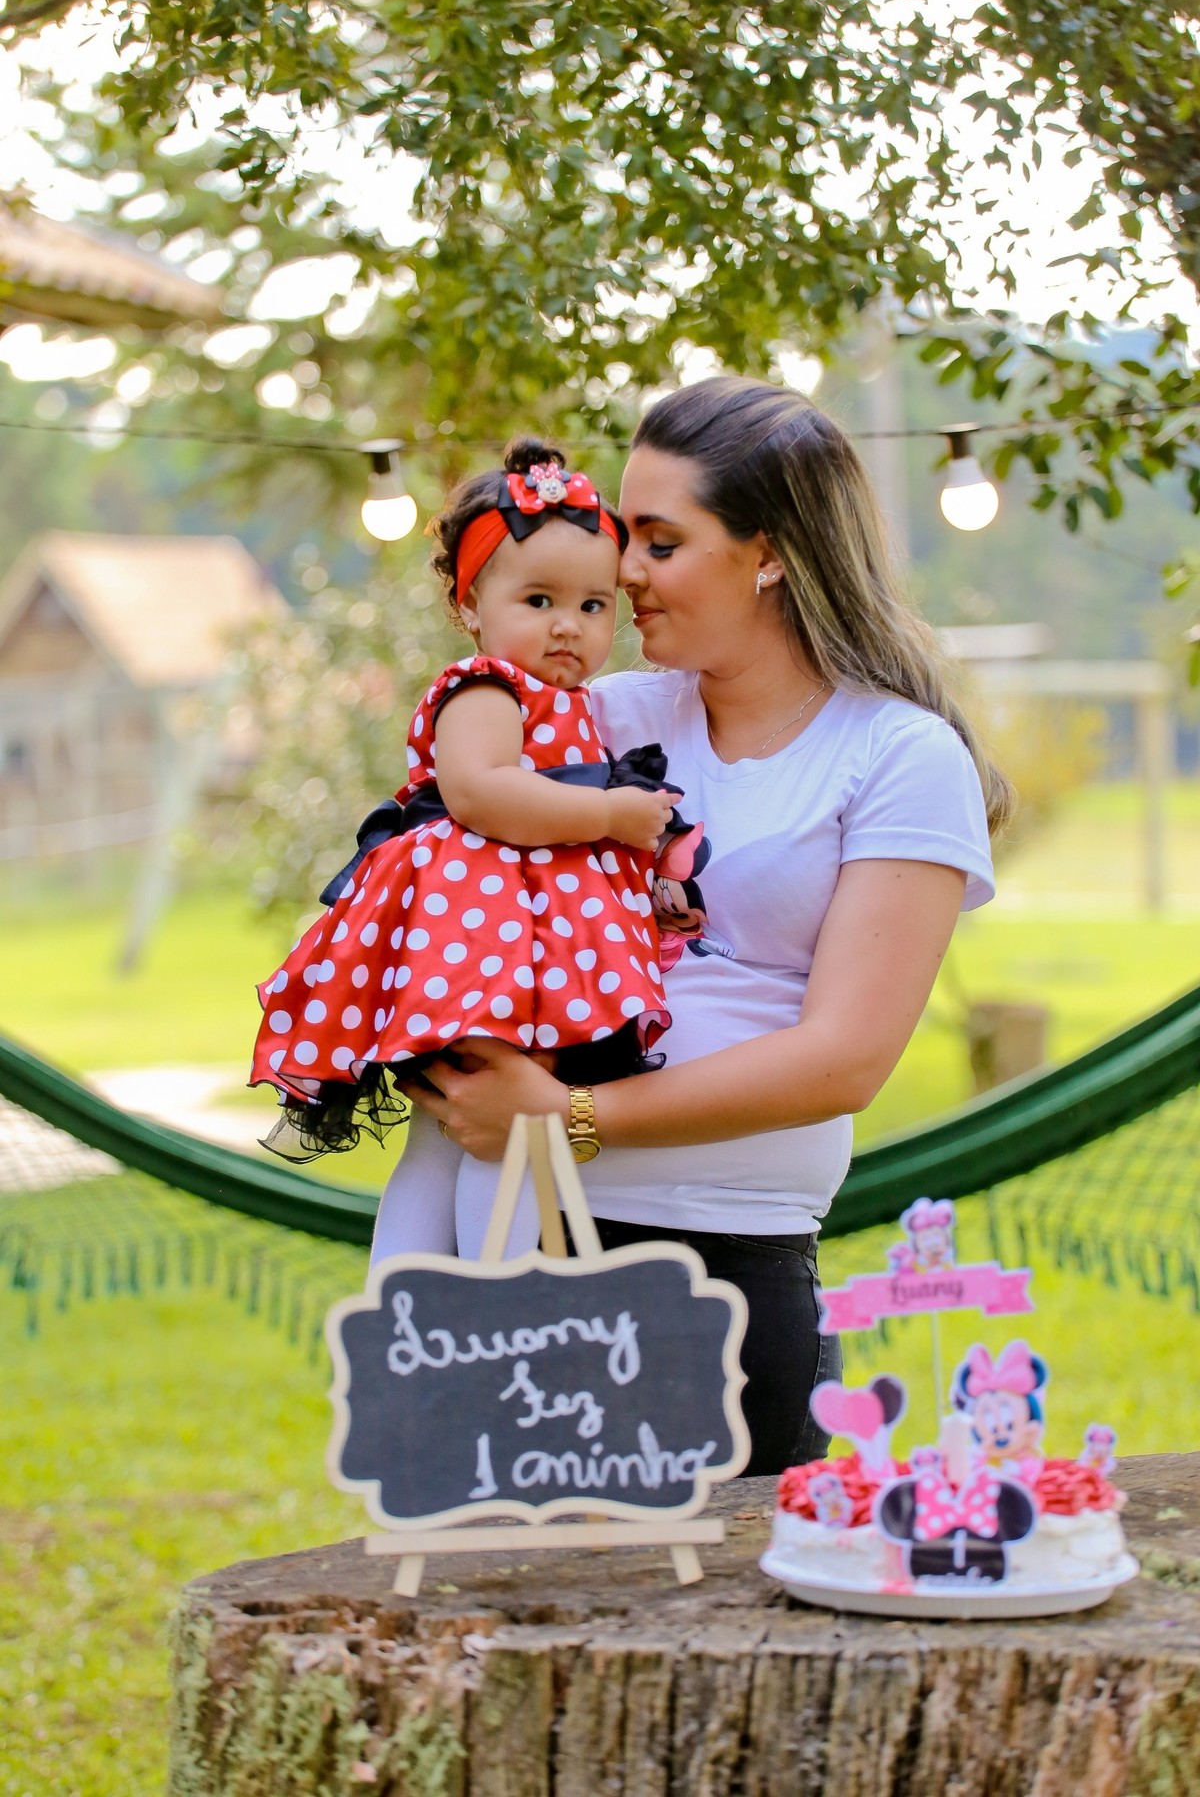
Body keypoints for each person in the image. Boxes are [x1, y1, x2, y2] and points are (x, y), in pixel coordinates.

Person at [395, 376, 1009, 1477]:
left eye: (661, 542)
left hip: (720, 1265)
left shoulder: (897, 756)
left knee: (703, 1582)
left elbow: (846, 1058)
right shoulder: (603, 714)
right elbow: (453, 879)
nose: (623, 571)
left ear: (767, 554)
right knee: (510, 1577)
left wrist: (571, 1115)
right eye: (624, 535)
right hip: (511, 1238)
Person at [250, 438, 677, 1259]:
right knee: (501, 1128)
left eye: (594, 606)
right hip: (481, 944)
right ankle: (493, 1294)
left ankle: (412, 1298)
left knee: (456, 1133)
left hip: (522, 945)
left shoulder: (572, 702)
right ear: (470, 603)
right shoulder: (486, 687)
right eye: (539, 599)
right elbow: (481, 793)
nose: (568, 625)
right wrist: (610, 814)